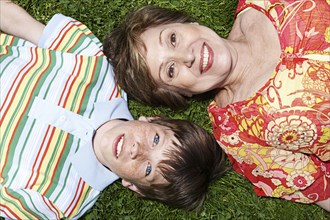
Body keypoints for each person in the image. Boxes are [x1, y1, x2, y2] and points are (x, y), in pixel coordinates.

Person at [0, 1, 228, 219]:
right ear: (152, 119)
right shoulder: (95, 64)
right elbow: (13, 18)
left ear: (135, 187)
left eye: (148, 169)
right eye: (156, 140)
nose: (136, 150)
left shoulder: (59, 201)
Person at [104, 0, 330, 211]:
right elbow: (318, 186)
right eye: (171, 70)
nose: (186, 57)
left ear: (188, 23)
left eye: (173, 39)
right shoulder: (238, 134)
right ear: (181, 94)